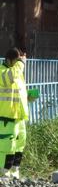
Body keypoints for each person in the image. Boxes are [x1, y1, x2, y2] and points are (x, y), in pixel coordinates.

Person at [0, 48, 30, 178]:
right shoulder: (2, 71)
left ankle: (14, 171)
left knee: (19, 145)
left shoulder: (16, 72)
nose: (19, 63)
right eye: (16, 61)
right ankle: (3, 172)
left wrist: (29, 96)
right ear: (8, 60)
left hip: (19, 117)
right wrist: (21, 63)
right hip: (6, 117)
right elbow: (9, 78)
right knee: (7, 147)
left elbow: (16, 92)